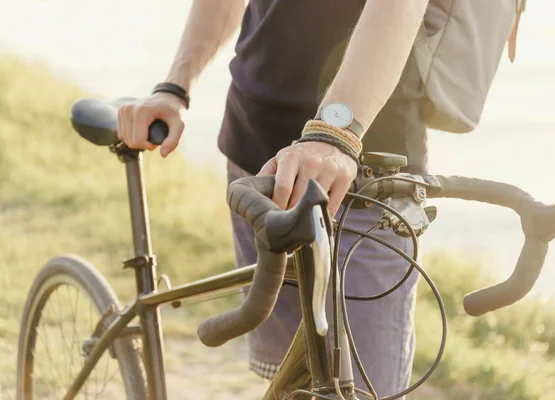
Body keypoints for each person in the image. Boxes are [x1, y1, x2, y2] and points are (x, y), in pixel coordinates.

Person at [118, 0, 430, 396]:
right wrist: (175, 88)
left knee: (365, 390)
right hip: (259, 161)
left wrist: (336, 132)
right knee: (288, 383)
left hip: (368, 176)